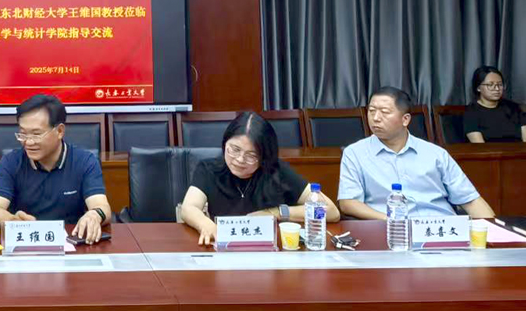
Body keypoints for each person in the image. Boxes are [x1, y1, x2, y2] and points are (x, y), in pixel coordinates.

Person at [180, 112, 340, 246]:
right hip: (224, 250)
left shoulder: (277, 171)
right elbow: (188, 208)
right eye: (234, 149)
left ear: (264, 157)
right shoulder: (209, 169)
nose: (240, 159)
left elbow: (332, 211)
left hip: (270, 253)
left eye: (251, 155)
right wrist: (205, 224)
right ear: (225, 144)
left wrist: (275, 213)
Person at [339, 87, 495, 220]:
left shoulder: (435, 154)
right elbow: (348, 203)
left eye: (384, 112)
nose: (376, 118)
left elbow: (471, 200)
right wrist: (392, 221)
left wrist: (494, 232)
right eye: (371, 111)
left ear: (405, 119)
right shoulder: (355, 153)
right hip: (390, 230)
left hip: (440, 229)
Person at [0, 94, 111, 244]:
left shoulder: (85, 161)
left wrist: (94, 215)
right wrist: (12, 220)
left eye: (36, 134)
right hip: (26, 244)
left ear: (60, 131)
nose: (28, 142)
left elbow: (102, 206)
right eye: (23, 134)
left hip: (71, 243)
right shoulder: (10, 162)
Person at [463, 66, 526, 143]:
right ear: (478, 88)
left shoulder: (513, 108)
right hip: (489, 150)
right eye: (490, 85)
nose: (497, 89)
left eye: (500, 84)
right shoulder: (471, 112)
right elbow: (479, 145)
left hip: (519, 150)